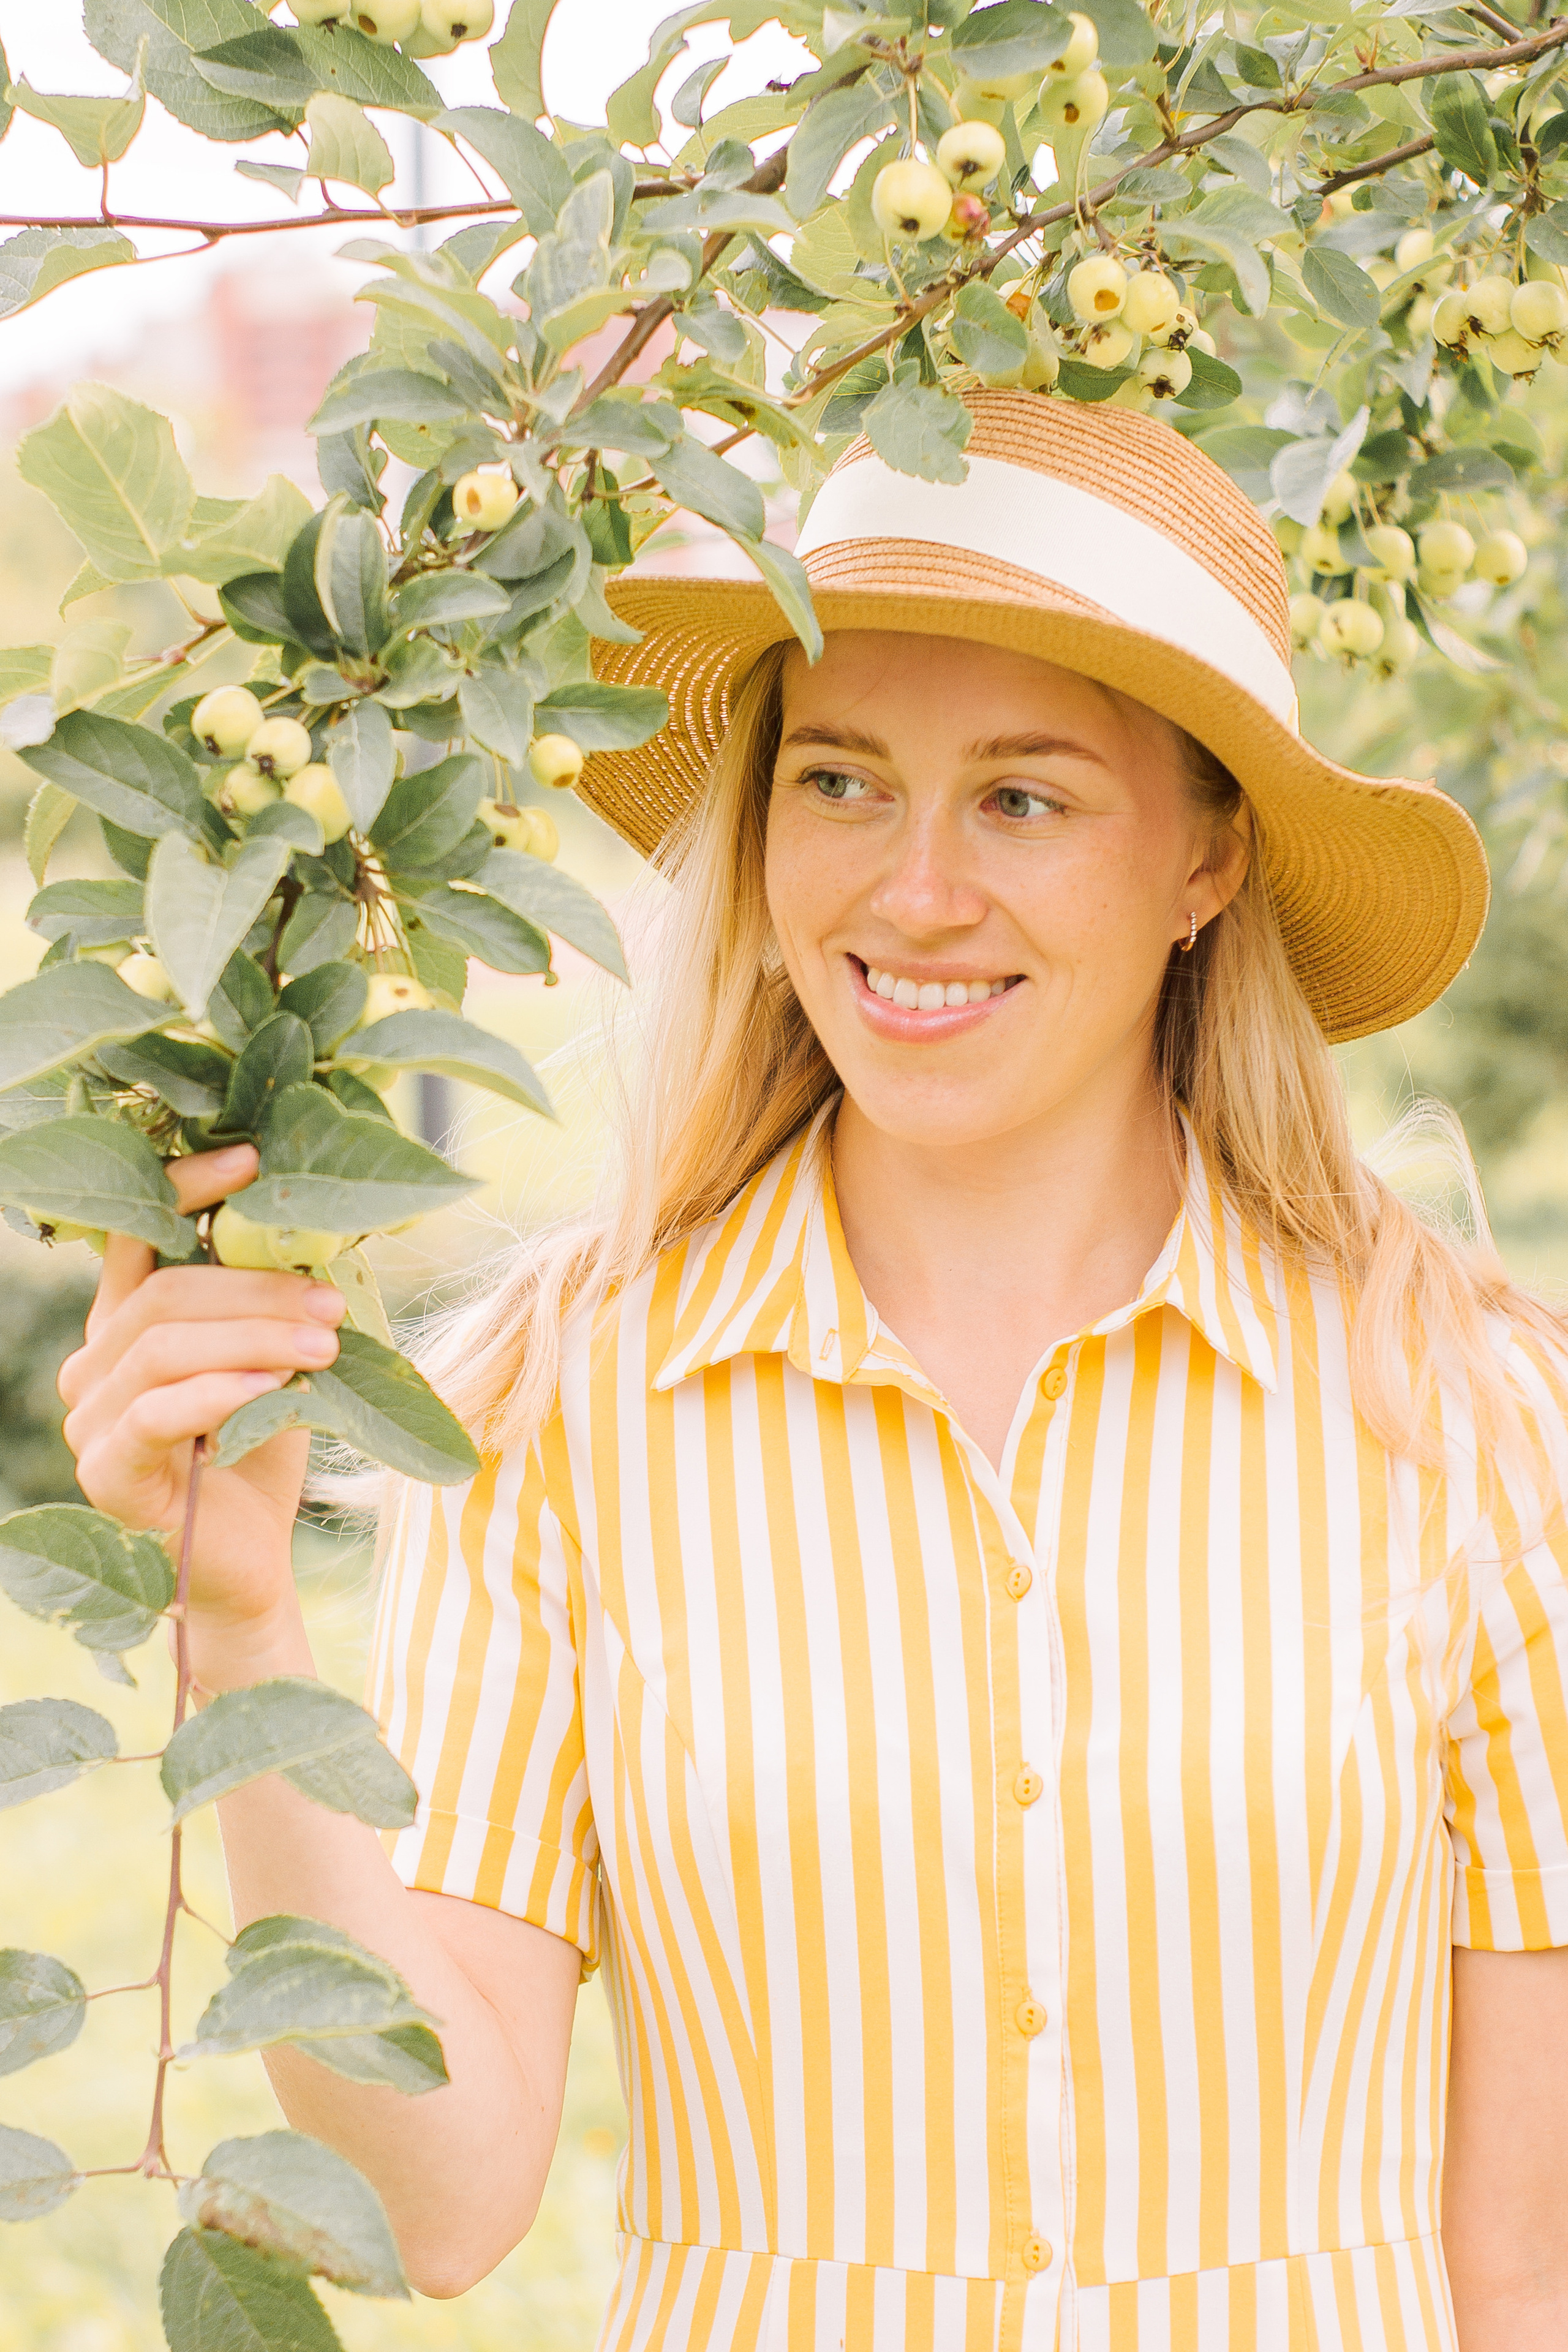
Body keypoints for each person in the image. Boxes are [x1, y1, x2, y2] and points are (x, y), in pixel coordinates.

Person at [59, 394, 1568, 2351]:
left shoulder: (1463, 1418)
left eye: (1024, 797)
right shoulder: (556, 1404)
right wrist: (243, 1631)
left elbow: (1528, 2273)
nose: (911, 891)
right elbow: (443, 2200)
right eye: (843, 782)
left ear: (1210, 860)